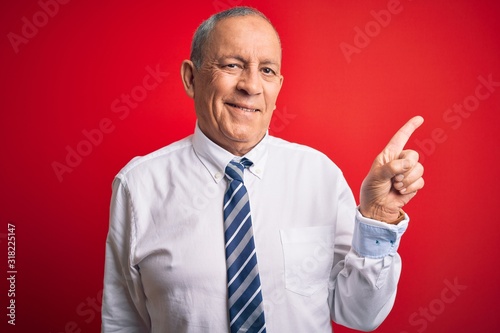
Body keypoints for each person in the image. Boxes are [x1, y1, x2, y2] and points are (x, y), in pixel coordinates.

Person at [102, 6, 424, 333]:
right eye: (232, 65)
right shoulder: (138, 185)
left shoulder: (320, 176)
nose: (251, 85)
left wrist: (379, 215)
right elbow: (122, 322)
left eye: (267, 70)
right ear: (191, 78)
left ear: (278, 87)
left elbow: (360, 314)